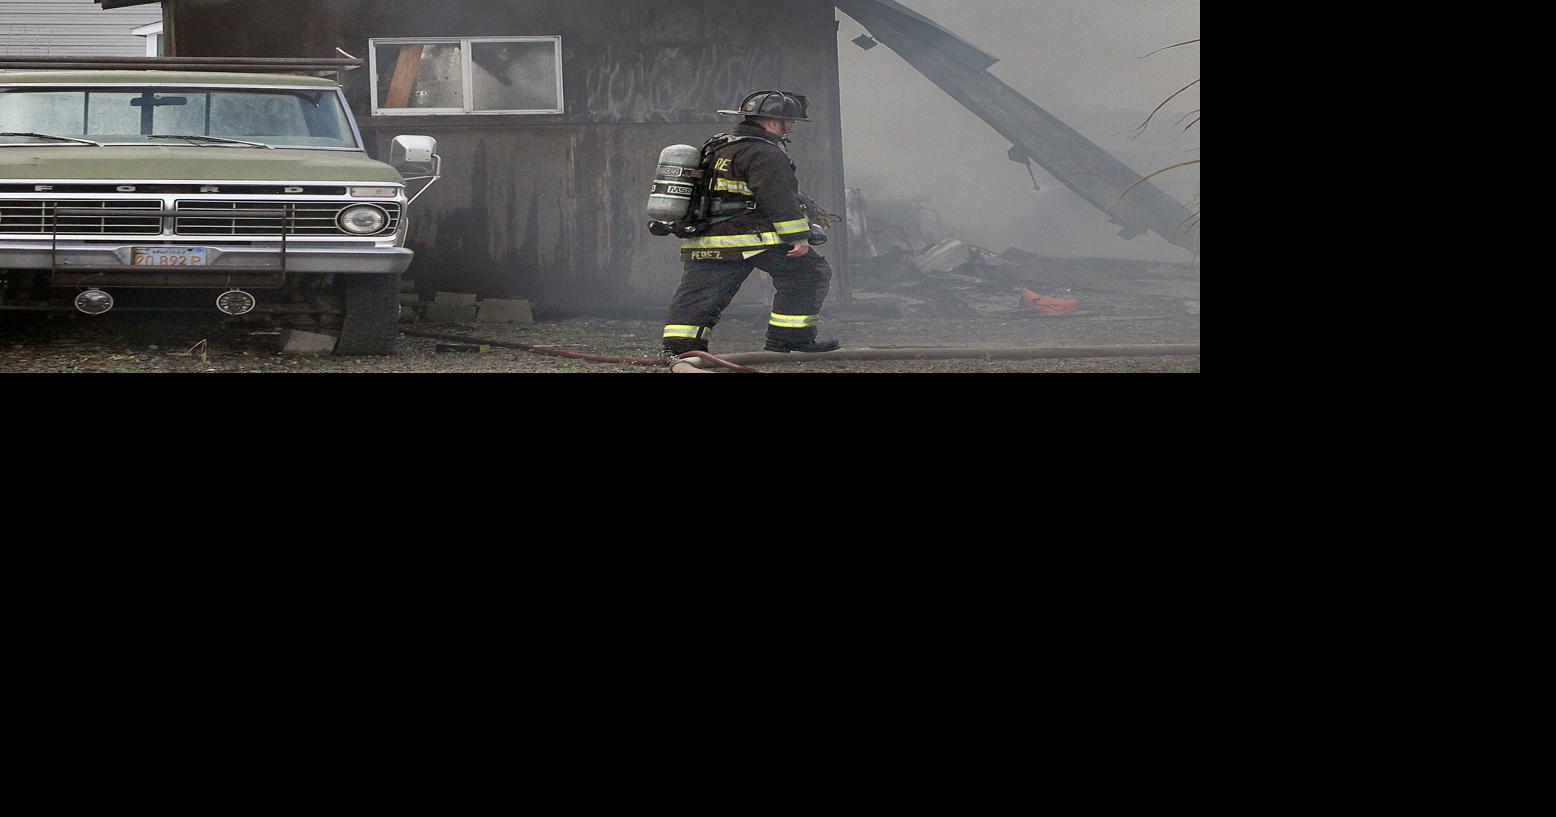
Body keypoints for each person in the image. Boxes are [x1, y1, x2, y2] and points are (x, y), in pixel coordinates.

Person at [662, 90, 841, 358]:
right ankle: (790, 339)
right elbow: (777, 197)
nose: (792, 128)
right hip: (748, 237)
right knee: (808, 272)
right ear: (773, 122)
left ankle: (679, 350)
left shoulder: (720, 146)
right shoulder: (764, 152)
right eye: (790, 122)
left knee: (699, 295)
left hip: (705, 236)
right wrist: (798, 236)